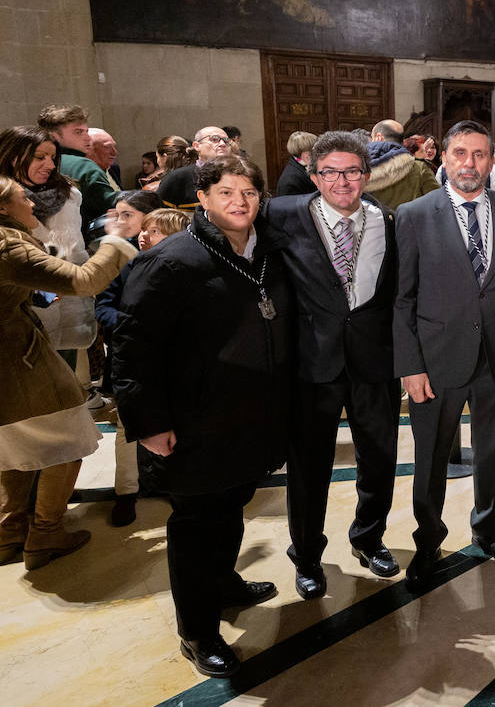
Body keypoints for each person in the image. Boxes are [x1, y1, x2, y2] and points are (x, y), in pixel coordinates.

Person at [113, 157, 294, 678]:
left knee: (233, 500)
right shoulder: (173, 261)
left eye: (250, 193)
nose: (241, 201)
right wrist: (147, 423)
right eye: (228, 192)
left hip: (248, 414)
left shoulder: (263, 252)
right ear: (204, 199)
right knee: (196, 522)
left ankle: (225, 583)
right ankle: (197, 629)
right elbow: (133, 347)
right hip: (194, 420)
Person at [263, 131, 401, 599]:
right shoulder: (281, 216)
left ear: (366, 174)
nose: (342, 181)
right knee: (308, 468)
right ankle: (305, 555)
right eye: (331, 172)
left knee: (380, 460)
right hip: (311, 366)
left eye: (352, 171)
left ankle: (369, 538)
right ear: (314, 174)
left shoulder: (389, 219)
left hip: (373, 364)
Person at [395, 121, 495, 582]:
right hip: (436, 360)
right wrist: (410, 366)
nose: (469, 164)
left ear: (491, 161)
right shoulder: (413, 215)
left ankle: (488, 528)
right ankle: (428, 542)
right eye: (459, 154)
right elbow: (403, 298)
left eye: (479, 155)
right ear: (443, 159)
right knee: (430, 457)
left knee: (491, 451)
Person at [0, 176, 137, 569]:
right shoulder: (7, 243)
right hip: (19, 359)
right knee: (69, 440)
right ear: (5, 208)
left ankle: (9, 531)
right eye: (23, 197)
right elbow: (84, 280)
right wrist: (113, 239)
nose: (32, 202)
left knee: (13, 445)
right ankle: (45, 534)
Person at [92, 190, 165, 525]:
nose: (119, 223)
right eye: (116, 215)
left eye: (127, 215)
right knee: (127, 425)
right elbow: (103, 304)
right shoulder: (117, 257)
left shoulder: (171, 254)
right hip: (130, 353)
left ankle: (167, 481)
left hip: (167, 356)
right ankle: (126, 493)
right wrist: (128, 324)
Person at [0, 126, 99, 364]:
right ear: (13, 157)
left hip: (72, 303)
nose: (51, 165)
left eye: (53, 157)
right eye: (40, 157)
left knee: (67, 381)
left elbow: (76, 247)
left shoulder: (69, 195)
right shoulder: (4, 199)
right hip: (22, 309)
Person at [36, 104, 118, 233]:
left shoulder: (31, 164)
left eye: (86, 131)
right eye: (78, 132)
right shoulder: (84, 166)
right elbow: (111, 206)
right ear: (53, 136)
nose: (87, 137)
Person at [157, 126, 234, 211]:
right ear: (197, 146)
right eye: (215, 139)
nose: (222, 144)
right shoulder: (178, 178)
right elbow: (160, 219)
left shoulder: (239, 175)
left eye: (226, 140)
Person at [365, 123, 440, 210]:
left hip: (372, 222)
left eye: (372, 137)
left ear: (379, 137)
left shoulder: (359, 167)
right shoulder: (419, 167)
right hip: (410, 221)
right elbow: (437, 202)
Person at [276, 130, 318, 197]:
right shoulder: (291, 179)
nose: (317, 153)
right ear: (306, 154)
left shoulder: (303, 165)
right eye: (314, 150)